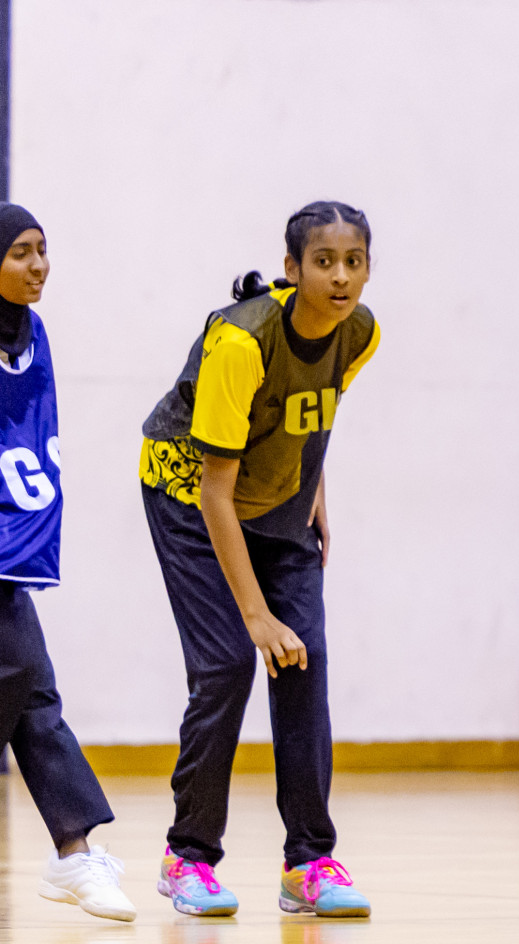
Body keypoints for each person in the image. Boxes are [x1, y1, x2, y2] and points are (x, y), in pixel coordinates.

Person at [139, 201, 380, 919]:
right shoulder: (242, 343)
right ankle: (187, 859)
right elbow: (216, 490)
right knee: (227, 665)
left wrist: (315, 491)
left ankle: (310, 862)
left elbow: (307, 412)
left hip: (277, 502)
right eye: (324, 262)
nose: (340, 278)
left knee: (304, 662)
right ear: (291, 269)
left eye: (355, 262)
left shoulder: (360, 332)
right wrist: (255, 617)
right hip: (189, 494)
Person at [0, 204, 136, 922]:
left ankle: (74, 856)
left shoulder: (31, 334)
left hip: (6, 551)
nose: (38, 265)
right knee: (27, 684)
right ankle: (74, 856)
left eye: (42, 250)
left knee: (34, 695)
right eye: (21, 252)